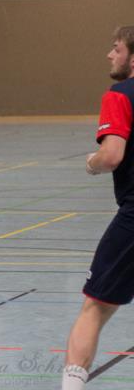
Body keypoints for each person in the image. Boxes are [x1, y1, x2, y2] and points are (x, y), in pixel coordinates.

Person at [61, 26, 134, 390]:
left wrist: (92, 162)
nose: (110, 55)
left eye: (117, 48)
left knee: (95, 308)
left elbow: (112, 155)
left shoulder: (120, 95)